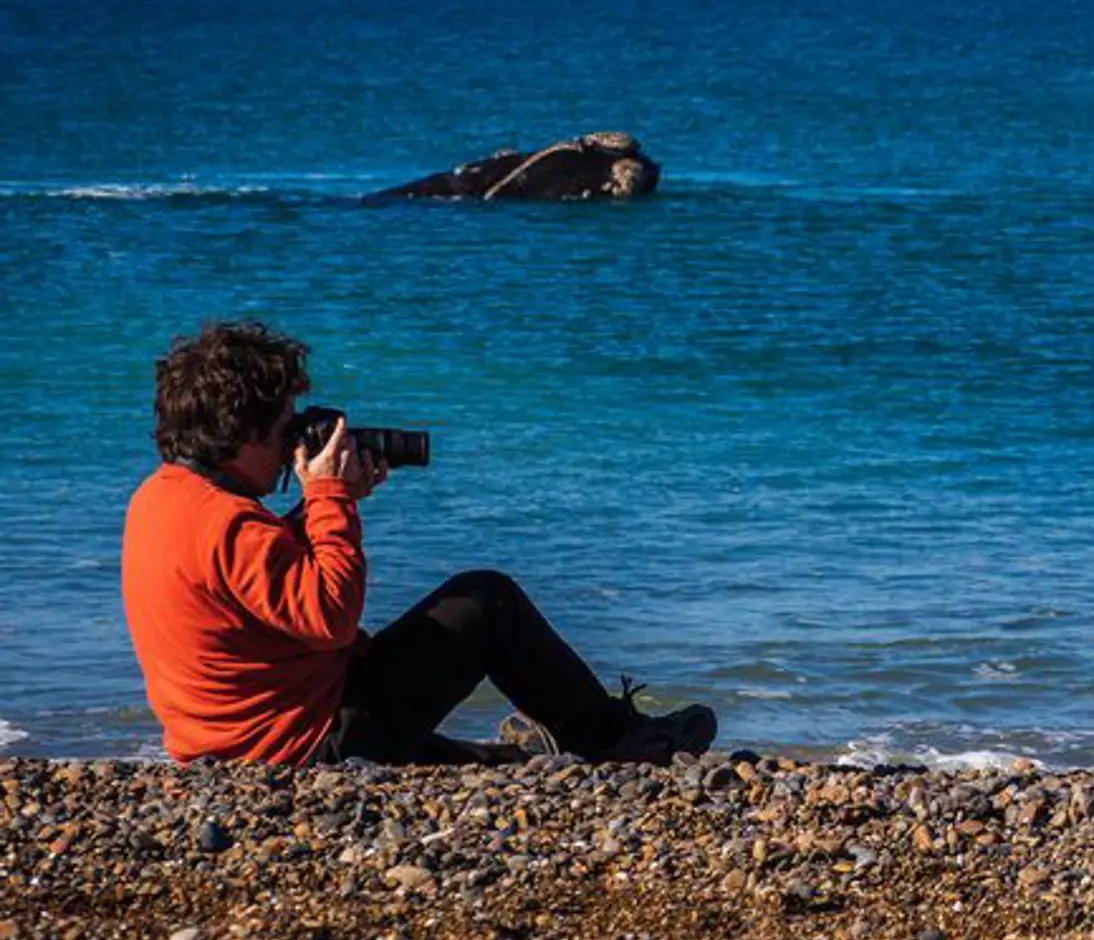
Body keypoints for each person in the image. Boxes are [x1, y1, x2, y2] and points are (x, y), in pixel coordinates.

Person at [121, 320, 717, 767]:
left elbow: (263, 589)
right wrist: (328, 496)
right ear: (237, 438)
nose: (290, 445)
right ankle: (616, 741)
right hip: (299, 743)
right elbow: (329, 615)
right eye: (283, 428)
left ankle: (543, 746)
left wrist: (329, 503)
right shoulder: (230, 524)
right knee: (486, 603)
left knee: (494, 769)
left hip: (233, 743)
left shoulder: (164, 500)